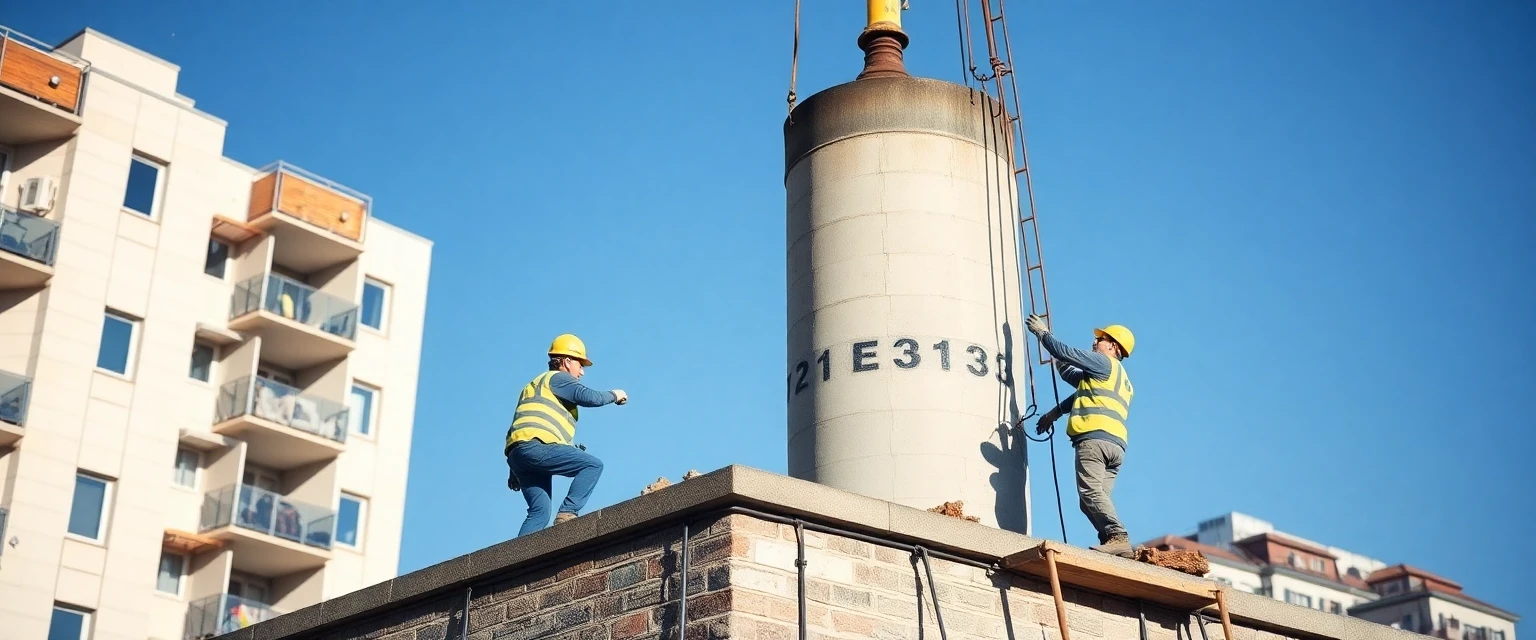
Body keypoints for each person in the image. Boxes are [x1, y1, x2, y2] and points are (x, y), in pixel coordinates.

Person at [1025, 314, 1136, 557]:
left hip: (1094, 441)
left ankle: (1118, 537)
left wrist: (1043, 334)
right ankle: (1116, 547)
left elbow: (1067, 353)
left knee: (1090, 494)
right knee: (1093, 500)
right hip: (1115, 447)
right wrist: (1054, 413)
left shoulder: (1103, 363)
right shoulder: (1120, 378)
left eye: (1101, 339)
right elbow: (1075, 382)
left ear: (1114, 346)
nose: (1095, 342)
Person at [505, 334, 628, 536]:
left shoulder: (533, 386)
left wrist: (514, 469)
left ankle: (516, 564)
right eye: (580, 365)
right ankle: (568, 512)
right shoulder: (558, 379)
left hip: (518, 454)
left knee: (539, 513)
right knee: (592, 465)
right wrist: (615, 394)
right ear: (566, 361)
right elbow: (590, 397)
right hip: (537, 447)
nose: (581, 372)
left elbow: (521, 424)